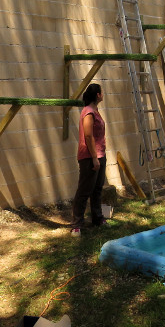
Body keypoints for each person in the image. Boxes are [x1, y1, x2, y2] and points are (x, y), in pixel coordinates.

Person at [70, 83, 107, 235]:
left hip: (100, 155)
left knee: (97, 189)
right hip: (89, 157)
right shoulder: (88, 112)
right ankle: (77, 225)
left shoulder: (95, 110)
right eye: (102, 92)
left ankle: (98, 218)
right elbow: (88, 135)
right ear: (97, 95)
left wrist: (100, 156)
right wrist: (94, 158)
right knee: (84, 191)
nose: (103, 94)